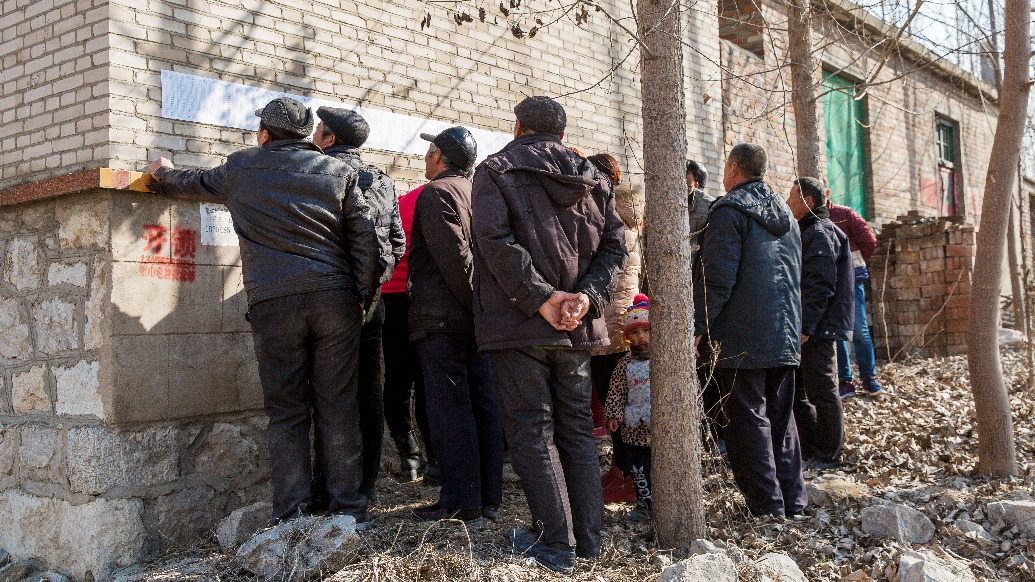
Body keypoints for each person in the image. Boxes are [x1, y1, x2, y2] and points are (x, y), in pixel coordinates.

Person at [148, 97, 378, 524]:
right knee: (338, 404)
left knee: (287, 410)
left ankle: (292, 514)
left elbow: (190, 182)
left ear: (265, 134)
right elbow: (364, 238)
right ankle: (348, 507)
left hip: (275, 302)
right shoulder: (339, 171)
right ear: (309, 134)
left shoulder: (242, 167)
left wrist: (161, 172)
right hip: (336, 300)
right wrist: (362, 293)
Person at [472, 96, 626, 574]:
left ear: (517, 126)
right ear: (562, 133)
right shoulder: (595, 177)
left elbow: (494, 243)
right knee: (577, 432)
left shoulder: (495, 169)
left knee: (533, 432)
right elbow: (617, 245)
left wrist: (544, 299)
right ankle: (588, 542)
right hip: (575, 326)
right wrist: (586, 298)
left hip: (520, 324)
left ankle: (557, 544)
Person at [693, 142, 806, 518]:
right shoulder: (789, 217)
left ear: (734, 169)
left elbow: (717, 280)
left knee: (749, 421)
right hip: (785, 333)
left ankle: (768, 506)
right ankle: (793, 501)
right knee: (780, 417)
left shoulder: (728, 212)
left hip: (742, 337)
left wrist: (697, 326)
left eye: (725, 167)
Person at [409, 126, 504, 521]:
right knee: (483, 404)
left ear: (440, 156)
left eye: (429, 151)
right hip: (475, 319)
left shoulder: (437, 194)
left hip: (446, 320)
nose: (425, 158)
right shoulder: (476, 192)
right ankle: (487, 497)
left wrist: (474, 309)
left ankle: (461, 502)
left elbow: (457, 262)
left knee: (451, 410)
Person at [312, 106, 405, 503]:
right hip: (371, 301)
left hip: (330, 300)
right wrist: (373, 284)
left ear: (330, 139)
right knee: (369, 391)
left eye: (318, 130)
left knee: (328, 395)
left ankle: (328, 489)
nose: (314, 136)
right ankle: (364, 486)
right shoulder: (381, 180)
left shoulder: (318, 174)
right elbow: (397, 243)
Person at [786, 177, 854, 470]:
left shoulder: (820, 233)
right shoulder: (812, 232)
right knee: (800, 392)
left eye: (792, 198)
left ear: (808, 201)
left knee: (822, 391)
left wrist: (805, 327)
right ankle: (813, 448)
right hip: (812, 326)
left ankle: (829, 453)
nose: (788, 204)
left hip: (818, 328)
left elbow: (820, 286)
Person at [585, 158, 642, 504]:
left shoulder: (608, 219)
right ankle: (623, 470)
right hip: (624, 320)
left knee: (614, 405)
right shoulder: (630, 218)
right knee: (618, 404)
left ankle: (628, 475)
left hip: (609, 324)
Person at [380, 184, 437, 484]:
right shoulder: (447, 197)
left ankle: (410, 456)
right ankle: (437, 457)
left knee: (399, 380)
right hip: (426, 298)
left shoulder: (404, 199)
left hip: (391, 297)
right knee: (430, 379)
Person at [603, 294, 653, 523]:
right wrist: (613, 414)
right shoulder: (625, 364)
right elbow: (616, 391)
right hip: (634, 428)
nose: (641, 337)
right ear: (628, 337)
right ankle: (645, 503)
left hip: (661, 427)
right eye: (634, 332)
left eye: (645, 330)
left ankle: (661, 502)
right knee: (639, 469)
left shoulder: (665, 359)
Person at [827, 200, 885, 397]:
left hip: (852, 280)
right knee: (837, 331)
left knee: (859, 329)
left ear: (826, 193)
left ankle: (869, 378)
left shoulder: (845, 214)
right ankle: (846, 380)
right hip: (827, 282)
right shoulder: (809, 216)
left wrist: (853, 266)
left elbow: (869, 241)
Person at [686, 159, 724, 452]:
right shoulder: (660, 206)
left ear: (695, 180)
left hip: (701, 295)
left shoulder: (710, 207)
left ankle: (715, 431)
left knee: (706, 369)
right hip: (677, 296)